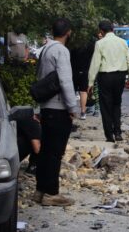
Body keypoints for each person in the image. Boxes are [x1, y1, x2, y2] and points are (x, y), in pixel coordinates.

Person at [34, 18, 79, 207]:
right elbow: (65, 81)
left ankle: (40, 190)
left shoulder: (45, 49)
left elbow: (40, 79)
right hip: (58, 108)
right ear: (68, 32)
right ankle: (51, 193)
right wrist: (72, 108)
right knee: (55, 153)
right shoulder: (61, 51)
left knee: (45, 151)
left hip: (46, 107)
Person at [88, 21, 129, 142]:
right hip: (120, 76)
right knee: (116, 104)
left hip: (105, 77)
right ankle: (118, 132)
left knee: (105, 106)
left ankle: (109, 136)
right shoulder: (122, 42)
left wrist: (90, 82)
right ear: (113, 29)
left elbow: (95, 64)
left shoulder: (99, 43)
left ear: (101, 31)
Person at [70, 34, 97, 120]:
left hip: (73, 70)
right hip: (86, 70)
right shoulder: (90, 43)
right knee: (83, 92)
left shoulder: (72, 43)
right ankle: (83, 112)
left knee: (72, 91)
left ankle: (71, 112)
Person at [12, 108, 41, 176]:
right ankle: (32, 168)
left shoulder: (24, 118)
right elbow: (37, 150)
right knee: (37, 143)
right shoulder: (35, 125)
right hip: (13, 156)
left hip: (6, 150)